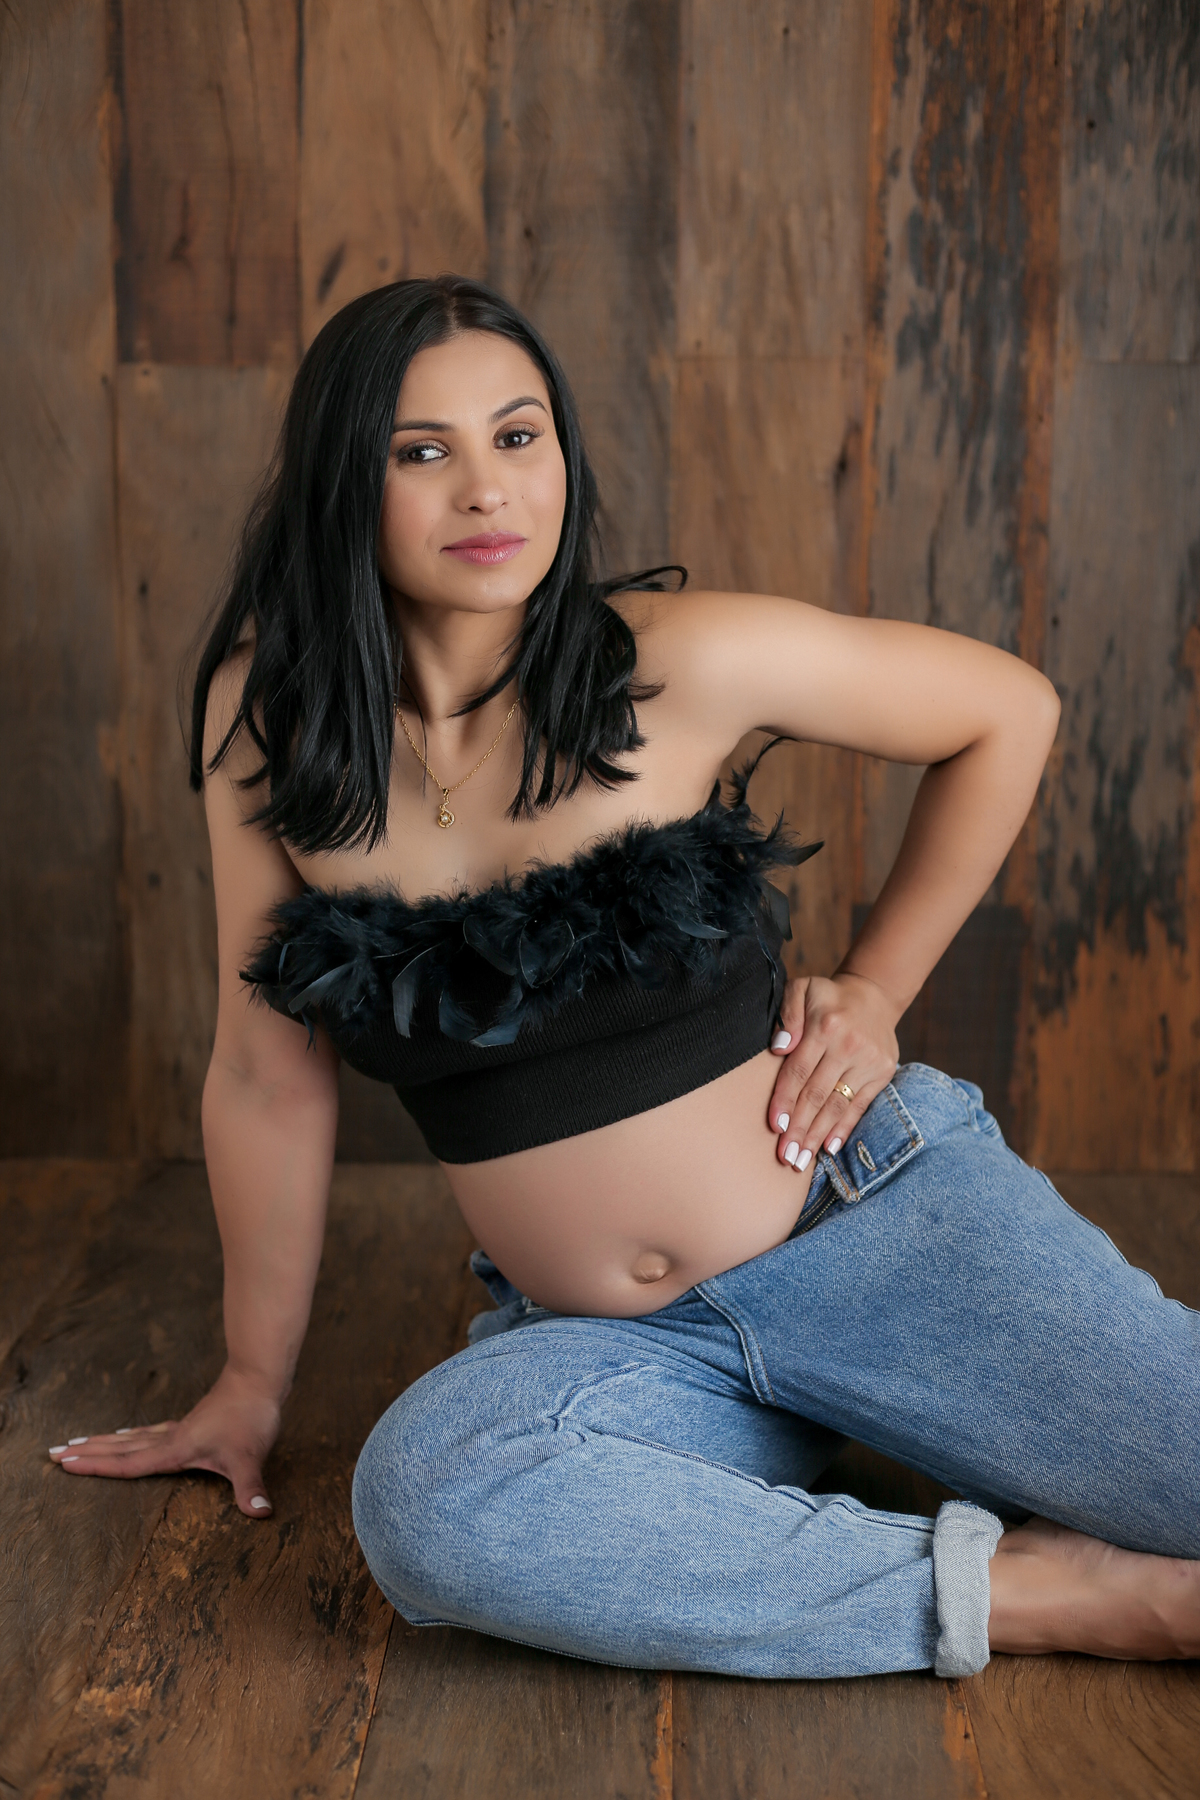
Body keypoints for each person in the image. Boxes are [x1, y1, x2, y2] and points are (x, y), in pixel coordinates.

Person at [49, 277, 1199, 1679]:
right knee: (432, 1500)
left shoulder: (672, 661)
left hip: (873, 1233)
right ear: (345, 479)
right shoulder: (270, 721)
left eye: (517, 435)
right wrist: (249, 1384)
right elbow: (262, 1075)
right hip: (621, 1348)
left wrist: (878, 987)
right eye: (423, 451)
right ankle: (1045, 1599)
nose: (487, 489)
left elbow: (1007, 709)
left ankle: (901, 1497)